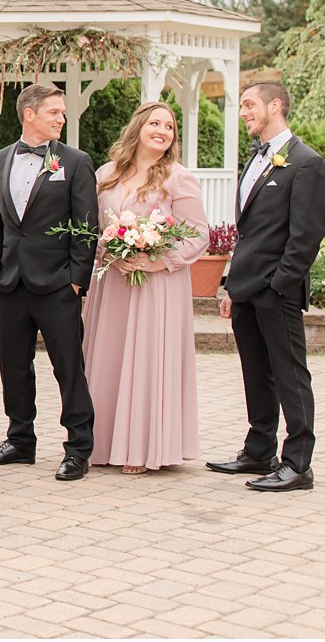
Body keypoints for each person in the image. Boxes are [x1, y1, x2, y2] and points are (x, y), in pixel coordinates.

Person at [206, 80, 325, 492]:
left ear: (275, 105)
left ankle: (298, 464)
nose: (243, 112)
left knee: (290, 375)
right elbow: (247, 234)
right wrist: (230, 286)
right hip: (245, 289)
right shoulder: (255, 160)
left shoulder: (307, 163)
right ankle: (259, 450)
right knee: (255, 373)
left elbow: (306, 236)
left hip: (277, 290)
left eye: (249, 104)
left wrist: (279, 285)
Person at [0, 83, 98, 482]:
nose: (61, 119)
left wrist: (76, 282)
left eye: (62, 113)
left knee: (68, 368)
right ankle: (20, 440)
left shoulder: (76, 161)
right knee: (13, 366)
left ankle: (79, 447)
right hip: (8, 282)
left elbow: (86, 227)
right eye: (54, 112)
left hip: (57, 285)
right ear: (29, 113)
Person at [83, 102, 207, 474]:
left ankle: (141, 447)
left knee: (147, 357)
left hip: (158, 286)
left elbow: (198, 234)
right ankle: (101, 444)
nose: (163, 131)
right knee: (109, 355)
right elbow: (94, 228)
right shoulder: (106, 173)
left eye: (169, 126)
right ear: (138, 127)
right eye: (155, 123)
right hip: (113, 280)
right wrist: (111, 254)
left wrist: (156, 260)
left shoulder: (178, 177)